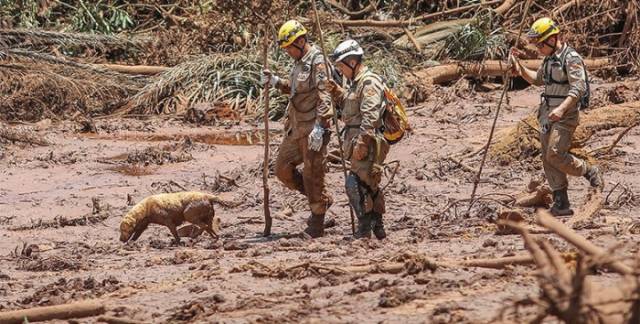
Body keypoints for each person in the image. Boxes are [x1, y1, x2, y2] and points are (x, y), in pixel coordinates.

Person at [510, 17, 602, 216]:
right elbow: (537, 80)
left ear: (552, 39)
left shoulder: (572, 58)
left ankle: (587, 170)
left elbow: (579, 87)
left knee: (555, 152)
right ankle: (561, 201)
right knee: (547, 156)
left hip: (565, 114)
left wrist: (561, 109)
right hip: (547, 113)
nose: (537, 48)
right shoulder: (549, 59)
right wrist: (520, 68)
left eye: (539, 44)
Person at [261, 20, 334, 238]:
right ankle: (319, 198)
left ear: (301, 41)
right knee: (282, 169)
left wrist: (322, 126)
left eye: (290, 47)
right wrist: (274, 81)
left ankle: (317, 219)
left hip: (313, 128)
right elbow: (295, 91)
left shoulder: (318, 62)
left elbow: (325, 95)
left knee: (313, 174)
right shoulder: (299, 61)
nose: (288, 52)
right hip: (295, 128)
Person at [326, 40, 389, 239]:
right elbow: (351, 106)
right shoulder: (356, 83)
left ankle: (364, 230)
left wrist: (362, 142)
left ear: (352, 63)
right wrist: (337, 93)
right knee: (368, 185)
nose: (340, 70)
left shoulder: (368, 82)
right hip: (356, 140)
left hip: (367, 142)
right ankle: (377, 228)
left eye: (341, 66)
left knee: (355, 184)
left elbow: (370, 116)